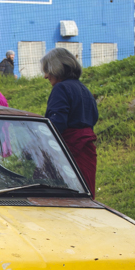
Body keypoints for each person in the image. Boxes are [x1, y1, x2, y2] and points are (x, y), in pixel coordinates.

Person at [40, 48, 97, 196]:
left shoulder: (61, 88)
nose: (46, 76)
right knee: (83, 194)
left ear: (57, 68)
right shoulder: (84, 89)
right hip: (87, 150)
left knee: (61, 195)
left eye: (47, 70)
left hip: (68, 151)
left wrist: (38, 143)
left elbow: (56, 123)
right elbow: (94, 117)